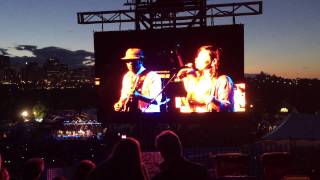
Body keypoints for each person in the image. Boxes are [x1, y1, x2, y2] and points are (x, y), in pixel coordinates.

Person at [177, 45, 234, 112]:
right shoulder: (197, 80)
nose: (196, 59)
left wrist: (206, 98)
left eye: (202, 56)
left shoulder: (223, 80)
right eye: (197, 56)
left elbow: (226, 108)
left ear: (213, 61)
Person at [114, 48, 162, 112]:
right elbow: (124, 97)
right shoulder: (126, 77)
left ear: (141, 61)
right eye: (127, 61)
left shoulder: (152, 76)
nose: (130, 63)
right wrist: (119, 104)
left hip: (149, 116)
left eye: (133, 60)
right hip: (130, 116)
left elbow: (156, 101)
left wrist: (138, 96)